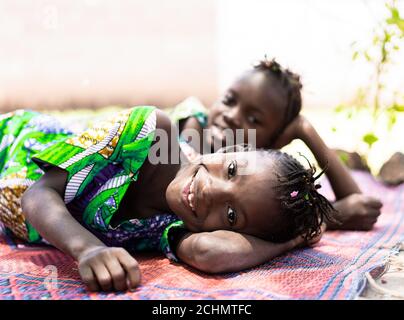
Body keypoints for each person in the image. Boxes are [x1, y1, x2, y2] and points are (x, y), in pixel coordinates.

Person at [0, 106, 334, 292]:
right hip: (11, 144)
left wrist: (293, 241)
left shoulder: (176, 225)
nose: (211, 192)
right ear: (233, 148)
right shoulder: (148, 131)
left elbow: (210, 253)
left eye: (232, 215)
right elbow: (38, 195)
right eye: (231, 170)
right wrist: (88, 249)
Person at [170, 58, 383, 231]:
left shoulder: (250, 179)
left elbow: (360, 205)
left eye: (254, 120)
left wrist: (305, 130)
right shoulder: (192, 121)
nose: (232, 116)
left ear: (271, 148)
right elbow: (185, 179)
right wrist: (331, 215)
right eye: (229, 100)